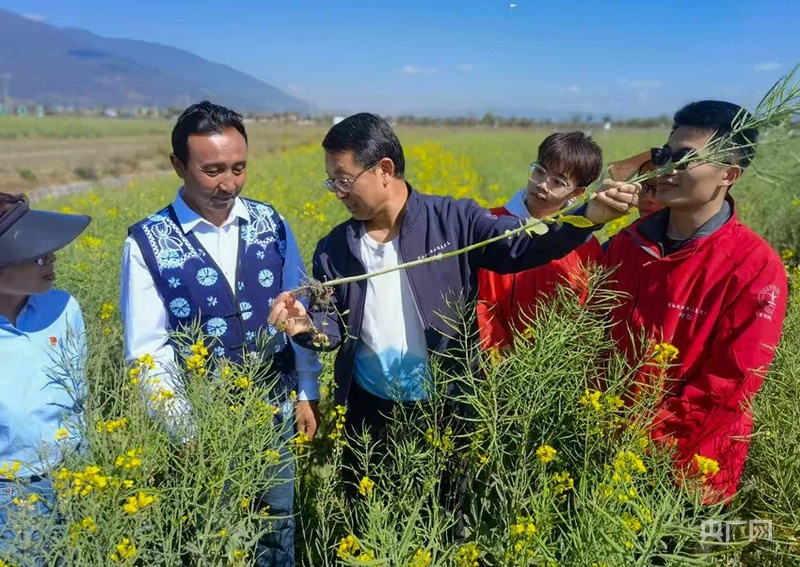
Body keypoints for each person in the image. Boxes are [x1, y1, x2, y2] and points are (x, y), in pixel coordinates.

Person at [267, 112, 638, 458]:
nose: (338, 192)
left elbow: (521, 244)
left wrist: (589, 217)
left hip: (446, 404)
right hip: (369, 410)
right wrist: (306, 328)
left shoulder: (453, 220)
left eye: (345, 180)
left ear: (384, 170)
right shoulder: (334, 248)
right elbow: (332, 328)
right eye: (332, 181)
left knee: (444, 514)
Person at [120, 101, 322, 566]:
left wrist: (307, 388)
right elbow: (147, 352)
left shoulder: (270, 224)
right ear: (178, 166)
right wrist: (187, 435)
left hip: (273, 416)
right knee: (215, 539)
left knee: (276, 531)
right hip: (201, 428)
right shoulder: (148, 242)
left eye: (238, 168)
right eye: (212, 170)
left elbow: (298, 312)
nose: (228, 184)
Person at [601, 100, 788, 503]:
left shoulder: (755, 267)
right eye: (665, 156)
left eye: (685, 159)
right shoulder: (627, 243)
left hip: (690, 470)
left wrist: (645, 440)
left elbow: (730, 383)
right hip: (603, 451)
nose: (667, 169)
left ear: (729, 174)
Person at [0, 192, 90, 554]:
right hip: (10, 492)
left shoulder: (63, 307)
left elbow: (79, 394)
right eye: (37, 255)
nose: (51, 259)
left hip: (76, 477)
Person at [476, 132, 604, 350]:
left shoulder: (585, 246)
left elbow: (587, 310)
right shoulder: (489, 224)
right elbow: (473, 299)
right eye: (539, 171)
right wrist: (498, 349)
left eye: (558, 182)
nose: (543, 185)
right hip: (490, 361)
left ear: (578, 193)